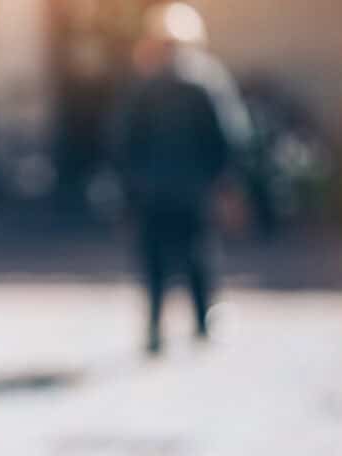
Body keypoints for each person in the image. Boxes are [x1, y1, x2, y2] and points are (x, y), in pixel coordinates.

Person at [111, 2, 250, 354]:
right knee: (197, 255)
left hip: (155, 189)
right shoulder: (206, 79)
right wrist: (222, 178)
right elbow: (229, 134)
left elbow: (124, 139)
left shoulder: (148, 83)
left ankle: (157, 327)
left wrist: (132, 182)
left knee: (156, 259)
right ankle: (201, 323)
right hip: (192, 188)